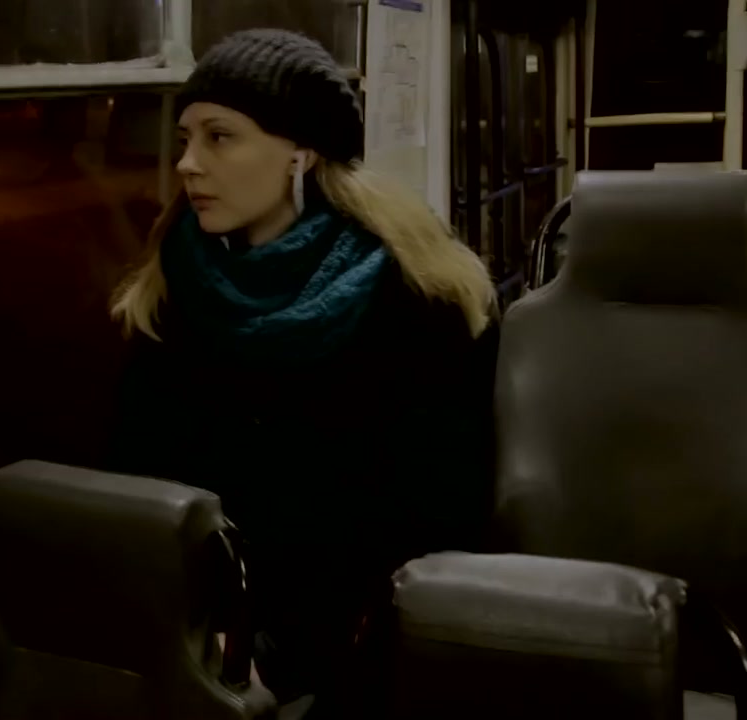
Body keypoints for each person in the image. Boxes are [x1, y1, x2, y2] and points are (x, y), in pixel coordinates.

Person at [106, 29, 499, 716]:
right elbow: (136, 483)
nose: (189, 164)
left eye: (220, 138)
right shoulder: (173, 289)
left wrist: (286, 652)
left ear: (302, 152)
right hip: (195, 631)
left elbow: (431, 526)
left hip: (358, 645)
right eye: (185, 139)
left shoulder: (414, 299)